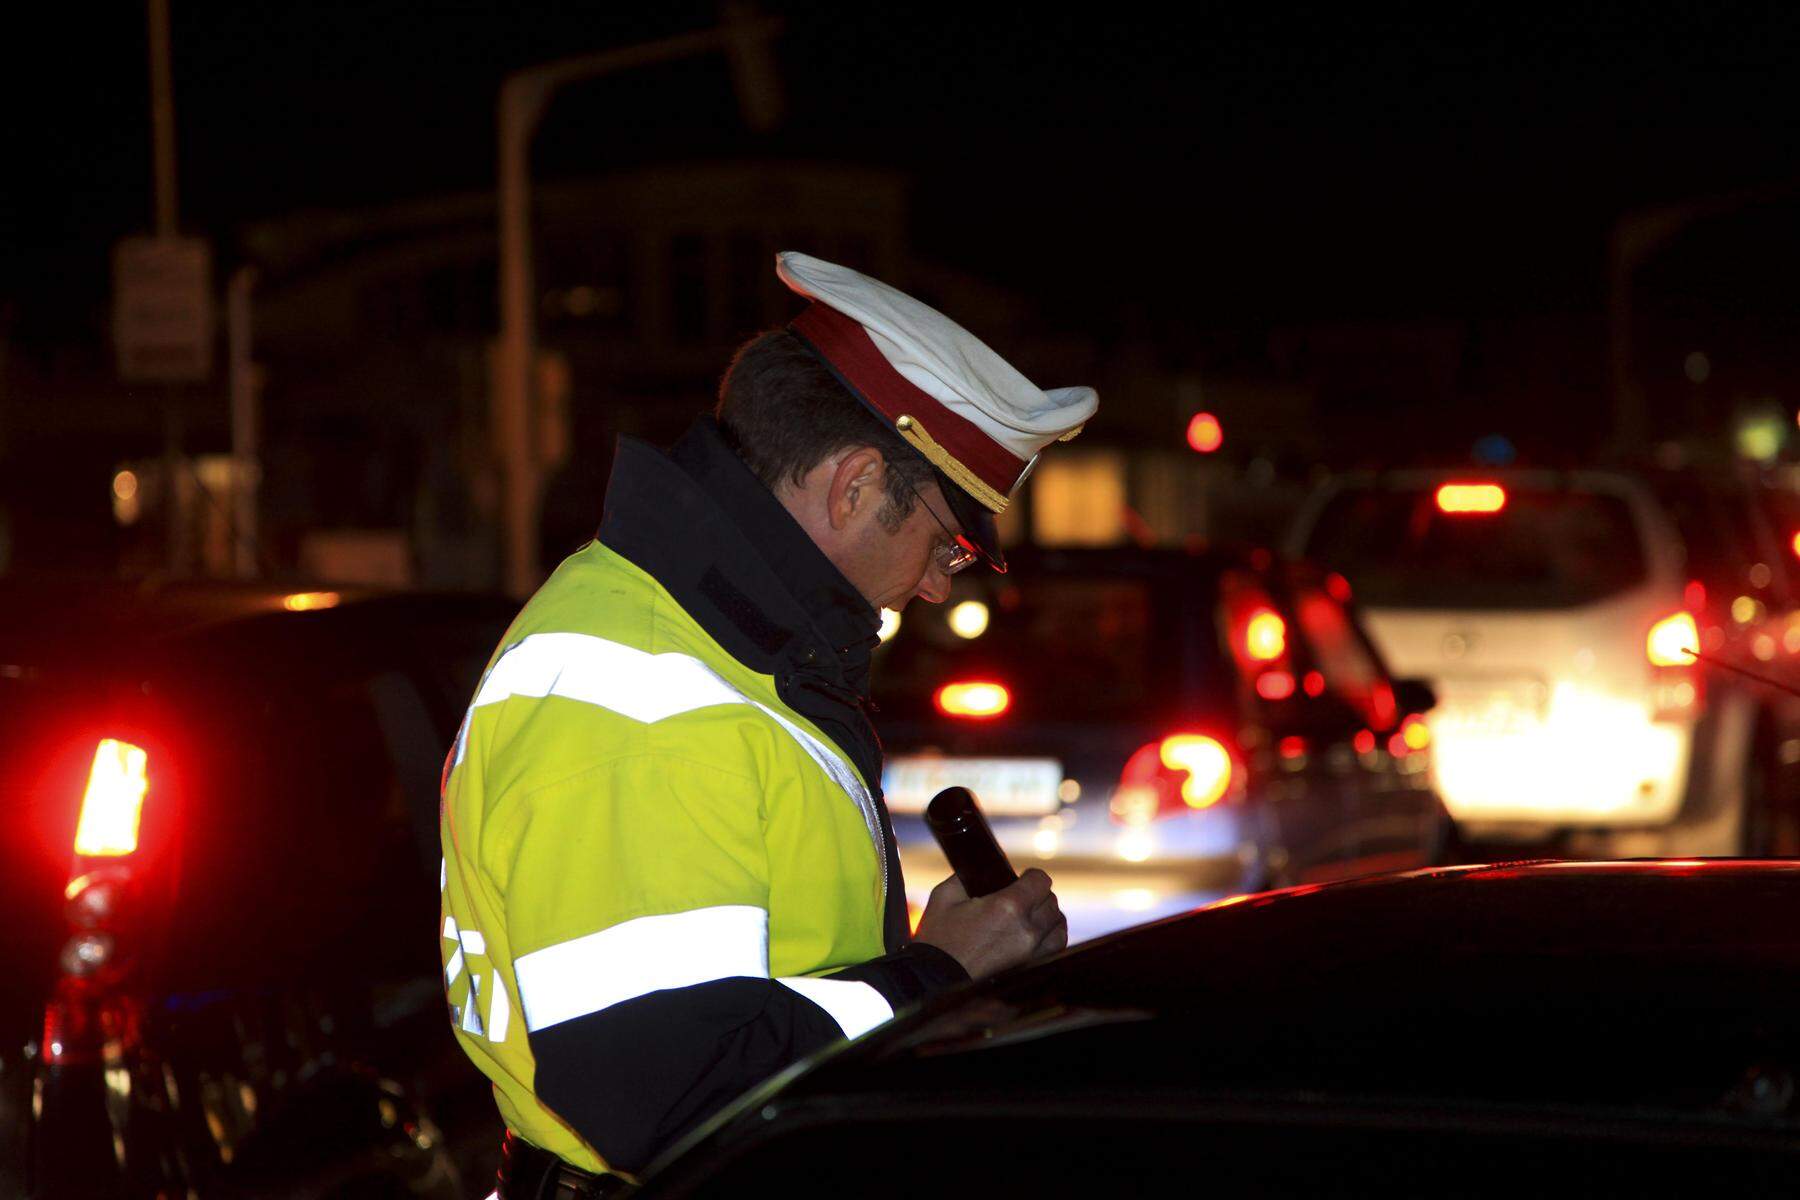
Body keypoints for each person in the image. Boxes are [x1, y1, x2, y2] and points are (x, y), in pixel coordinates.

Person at [439, 252, 1099, 1197]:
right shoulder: (650, 697)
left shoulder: (708, 645)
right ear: (856, 486)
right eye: (948, 543)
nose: (932, 583)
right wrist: (934, 979)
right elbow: (663, 1089)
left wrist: (923, 963)